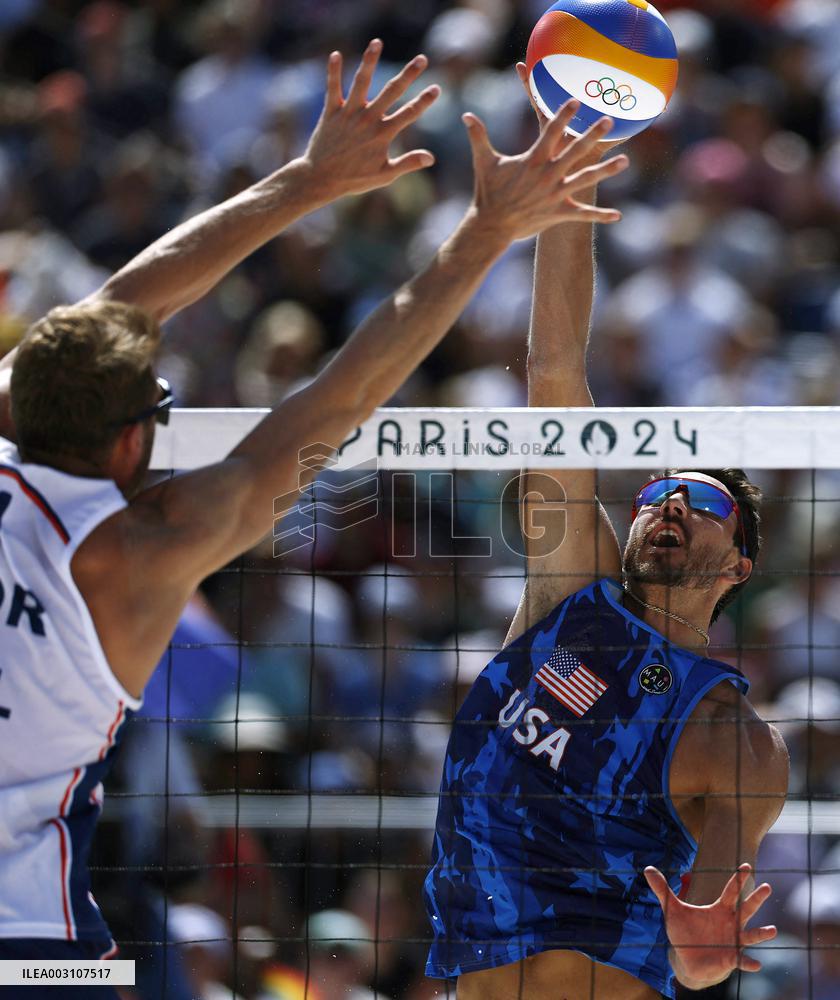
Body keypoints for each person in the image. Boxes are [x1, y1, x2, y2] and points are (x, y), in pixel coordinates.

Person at [0, 36, 628, 998]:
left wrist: (300, 182)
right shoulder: (144, 553)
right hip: (26, 937)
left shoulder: (20, 409)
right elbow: (340, 400)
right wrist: (486, 228)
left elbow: (112, 307)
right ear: (134, 445)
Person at [424, 66, 790, 1000]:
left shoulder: (738, 740)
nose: (668, 505)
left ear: (738, 564)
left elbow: (707, 941)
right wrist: (569, 174)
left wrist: (703, 959)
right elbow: (554, 376)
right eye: (658, 490)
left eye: (698, 503)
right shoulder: (569, 588)